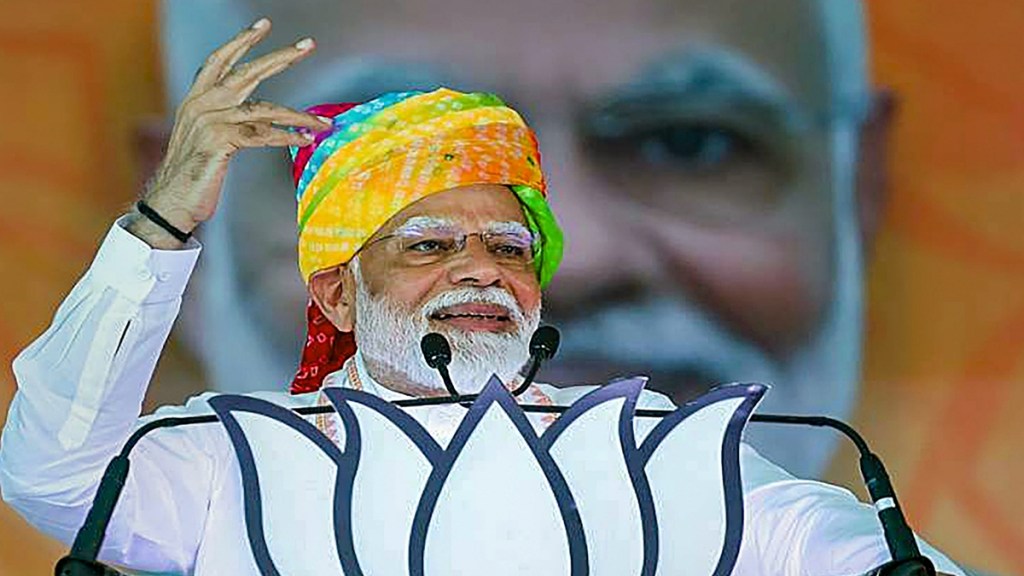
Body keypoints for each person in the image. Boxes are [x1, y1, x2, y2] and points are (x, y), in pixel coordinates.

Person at [0, 24, 960, 575]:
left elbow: (848, 551)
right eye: (428, 244)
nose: (480, 269)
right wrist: (163, 223)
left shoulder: (658, 452)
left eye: (510, 246)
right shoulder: (239, 458)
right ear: (337, 294)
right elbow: (52, 470)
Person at [157, 0, 893, 479]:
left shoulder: (791, 525)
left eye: (688, 143)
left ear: (859, 184)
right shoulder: (179, 492)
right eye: (397, 171)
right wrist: (150, 236)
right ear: (199, 219)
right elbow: (52, 473)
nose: (564, 266)